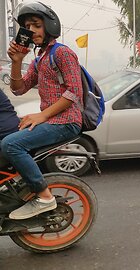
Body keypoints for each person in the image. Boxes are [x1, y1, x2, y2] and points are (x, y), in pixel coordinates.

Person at [1, 1, 83, 220]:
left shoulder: (62, 53)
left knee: (11, 144)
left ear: (49, 26)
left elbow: (74, 92)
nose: (32, 31)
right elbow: (19, 89)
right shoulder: (40, 59)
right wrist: (17, 61)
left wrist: (42, 115)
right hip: (52, 121)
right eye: (28, 26)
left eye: (36, 25)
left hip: (66, 121)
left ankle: (44, 197)